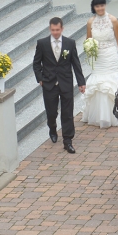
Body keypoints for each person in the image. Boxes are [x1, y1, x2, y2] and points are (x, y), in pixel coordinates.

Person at [32, 16, 86, 153]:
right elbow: (36, 63)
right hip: (49, 84)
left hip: (66, 82)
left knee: (67, 113)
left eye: (57, 30)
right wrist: (40, 78)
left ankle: (67, 141)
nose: (55, 32)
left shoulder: (70, 43)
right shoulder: (42, 43)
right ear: (50, 29)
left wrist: (81, 82)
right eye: (53, 30)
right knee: (51, 112)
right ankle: (52, 127)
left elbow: (76, 63)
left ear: (62, 29)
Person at [82, 0, 118, 129]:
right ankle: (99, 116)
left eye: (102, 5)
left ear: (105, 5)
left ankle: (115, 114)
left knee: (110, 83)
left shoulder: (113, 20)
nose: (100, 8)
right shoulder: (90, 22)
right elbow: (88, 40)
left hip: (110, 55)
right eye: (97, 6)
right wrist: (89, 50)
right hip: (98, 57)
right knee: (98, 84)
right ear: (94, 7)